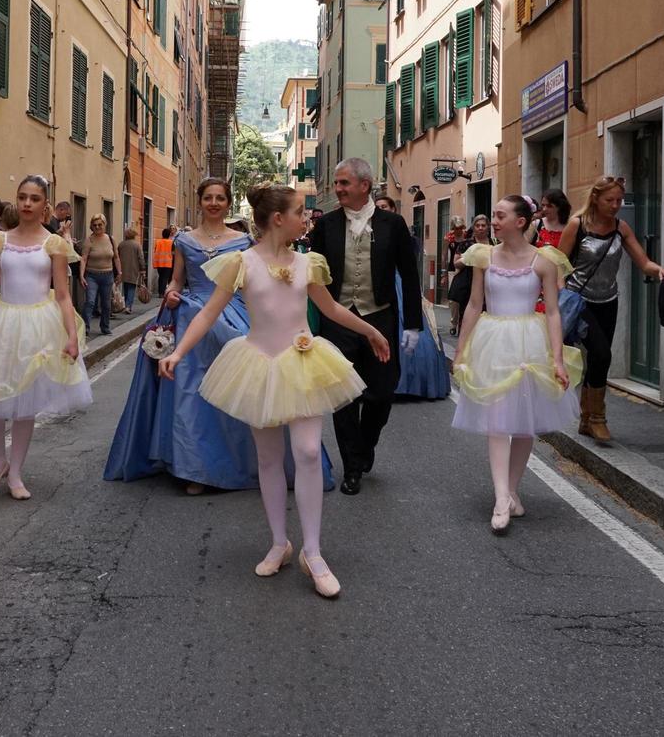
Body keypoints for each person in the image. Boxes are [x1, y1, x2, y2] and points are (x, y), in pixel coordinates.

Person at [158, 184, 389, 598]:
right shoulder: (240, 263)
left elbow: (332, 309)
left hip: (303, 363)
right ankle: (279, 543)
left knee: (307, 452)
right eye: (301, 211)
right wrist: (177, 352)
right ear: (279, 219)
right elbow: (209, 313)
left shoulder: (308, 263)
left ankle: (313, 553)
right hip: (259, 365)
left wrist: (371, 330)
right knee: (269, 458)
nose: (307, 217)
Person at [107, 179, 336, 494]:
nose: (214, 203)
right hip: (192, 316)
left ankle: (258, 462)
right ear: (200, 201)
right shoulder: (184, 241)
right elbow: (176, 281)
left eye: (220, 198)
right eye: (208, 198)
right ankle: (196, 470)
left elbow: (256, 279)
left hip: (233, 315)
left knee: (251, 386)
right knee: (192, 395)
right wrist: (172, 294)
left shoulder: (242, 241)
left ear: (229, 204)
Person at [0, 176, 93, 500]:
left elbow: (62, 295)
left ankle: (15, 472)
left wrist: (72, 336)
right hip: (1, 323)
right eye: (22, 197)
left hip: (37, 325)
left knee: (24, 404)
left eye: (34, 198)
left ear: (45, 205)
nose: (27, 203)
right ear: (16, 201)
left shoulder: (55, 244)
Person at [451, 196, 582, 533]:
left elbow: (553, 312)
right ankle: (500, 498)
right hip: (492, 340)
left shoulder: (544, 261)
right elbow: (473, 305)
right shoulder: (483, 257)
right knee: (497, 419)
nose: (493, 221)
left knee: (524, 423)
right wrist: (461, 349)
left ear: (520, 222)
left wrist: (557, 358)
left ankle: (511, 490)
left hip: (529, 340)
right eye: (494, 215)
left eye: (499, 215)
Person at [308, 158, 423, 496]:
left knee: (382, 392)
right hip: (338, 320)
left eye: (344, 183)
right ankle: (352, 467)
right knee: (343, 397)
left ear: (364, 185)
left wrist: (413, 325)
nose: (337, 189)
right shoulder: (326, 225)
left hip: (380, 317)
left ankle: (365, 444)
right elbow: (314, 277)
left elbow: (410, 274)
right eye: (338, 183)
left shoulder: (394, 224)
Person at [558, 177, 664, 443]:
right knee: (602, 353)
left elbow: (643, 261)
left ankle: (585, 418)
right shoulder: (577, 225)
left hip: (609, 300)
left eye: (619, 200)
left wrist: (662, 271)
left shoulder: (621, 228)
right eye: (611, 200)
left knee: (598, 359)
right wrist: (561, 294)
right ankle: (598, 418)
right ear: (596, 198)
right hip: (580, 301)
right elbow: (558, 264)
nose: (616, 205)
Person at [375, 195, 451, 400]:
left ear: (393, 210)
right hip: (379, 283)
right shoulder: (370, 233)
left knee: (408, 327)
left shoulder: (404, 236)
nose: (381, 210)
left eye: (384, 206)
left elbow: (409, 265)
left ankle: (412, 381)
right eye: (378, 207)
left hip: (400, 283)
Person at [447, 216, 489, 335]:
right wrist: (469, 257)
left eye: (483, 225)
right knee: (466, 316)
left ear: (488, 227)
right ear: (473, 228)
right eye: (477, 225)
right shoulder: (466, 244)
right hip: (468, 286)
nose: (480, 228)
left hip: (488, 287)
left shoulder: (495, 243)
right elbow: (456, 264)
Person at [80, 214, 119, 335]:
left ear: (104, 225)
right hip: (92, 275)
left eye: (100, 225)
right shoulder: (89, 240)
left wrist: (120, 272)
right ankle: (85, 328)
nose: (97, 227)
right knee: (90, 302)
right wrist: (82, 275)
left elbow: (116, 257)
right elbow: (84, 258)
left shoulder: (111, 239)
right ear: (92, 226)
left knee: (106, 303)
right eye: (95, 225)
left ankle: (105, 327)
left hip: (108, 275)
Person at [117, 225, 146, 313]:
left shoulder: (121, 244)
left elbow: (117, 256)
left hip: (123, 268)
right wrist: (143, 269)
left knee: (126, 287)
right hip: (133, 268)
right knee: (131, 287)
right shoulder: (137, 245)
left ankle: (126, 304)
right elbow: (141, 258)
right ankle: (128, 306)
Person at [153, 226, 175, 297]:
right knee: (165, 278)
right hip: (168, 263)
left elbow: (155, 250)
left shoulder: (158, 242)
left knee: (161, 277)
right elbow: (173, 252)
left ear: (162, 234)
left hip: (159, 262)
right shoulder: (171, 242)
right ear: (169, 235)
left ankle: (160, 292)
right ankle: (162, 293)